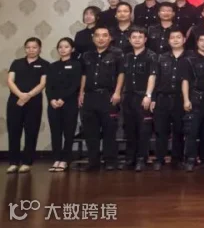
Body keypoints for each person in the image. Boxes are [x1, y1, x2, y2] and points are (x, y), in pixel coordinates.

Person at [79, 27, 125, 171]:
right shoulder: (86, 55)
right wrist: (81, 93)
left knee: (109, 130)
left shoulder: (117, 54)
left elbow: (121, 74)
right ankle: (93, 162)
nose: (101, 38)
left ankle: (110, 160)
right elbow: (84, 75)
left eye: (104, 35)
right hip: (89, 96)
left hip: (108, 96)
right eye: (98, 36)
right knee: (90, 131)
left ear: (110, 38)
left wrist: (117, 92)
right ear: (93, 38)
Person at [6, 37, 49, 174]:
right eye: (28, 47)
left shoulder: (44, 64)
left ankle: (26, 162)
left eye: (34, 47)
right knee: (14, 131)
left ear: (39, 49)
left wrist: (28, 95)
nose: (31, 50)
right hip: (15, 101)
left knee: (31, 131)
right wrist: (20, 95)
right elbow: (10, 81)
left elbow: (43, 83)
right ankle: (13, 162)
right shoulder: (17, 63)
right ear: (25, 49)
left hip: (34, 102)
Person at [121, 27, 158, 171]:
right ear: (129, 40)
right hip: (128, 96)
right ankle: (130, 158)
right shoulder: (127, 56)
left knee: (143, 129)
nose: (137, 40)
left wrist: (148, 95)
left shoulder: (151, 56)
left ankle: (142, 158)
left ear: (145, 39)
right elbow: (122, 76)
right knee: (129, 128)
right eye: (134, 37)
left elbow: (152, 76)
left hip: (142, 96)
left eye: (140, 37)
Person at [152, 30, 188, 171]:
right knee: (161, 130)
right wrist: (153, 98)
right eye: (172, 37)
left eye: (179, 37)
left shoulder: (190, 57)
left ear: (184, 39)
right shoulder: (161, 58)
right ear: (168, 41)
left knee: (179, 131)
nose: (175, 40)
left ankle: (177, 159)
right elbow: (155, 79)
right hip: (162, 98)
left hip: (181, 98)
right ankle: (159, 159)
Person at [46, 38, 81, 172]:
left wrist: (62, 99)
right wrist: (51, 99)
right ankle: (56, 159)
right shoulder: (52, 66)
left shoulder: (76, 65)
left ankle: (66, 160)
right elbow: (48, 86)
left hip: (69, 103)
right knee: (55, 132)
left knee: (68, 132)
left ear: (72, 49)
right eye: (60, 47)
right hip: (53, 104)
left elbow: (75, 85)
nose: (63, 49)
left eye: (66, 47)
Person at [182, 32, 204, 172]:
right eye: (202, 40)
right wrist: (186, 99)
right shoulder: (190, 60)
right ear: (197, 42)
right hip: (195, 97)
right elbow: (185, 81)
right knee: (192, 130)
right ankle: (190, 159)